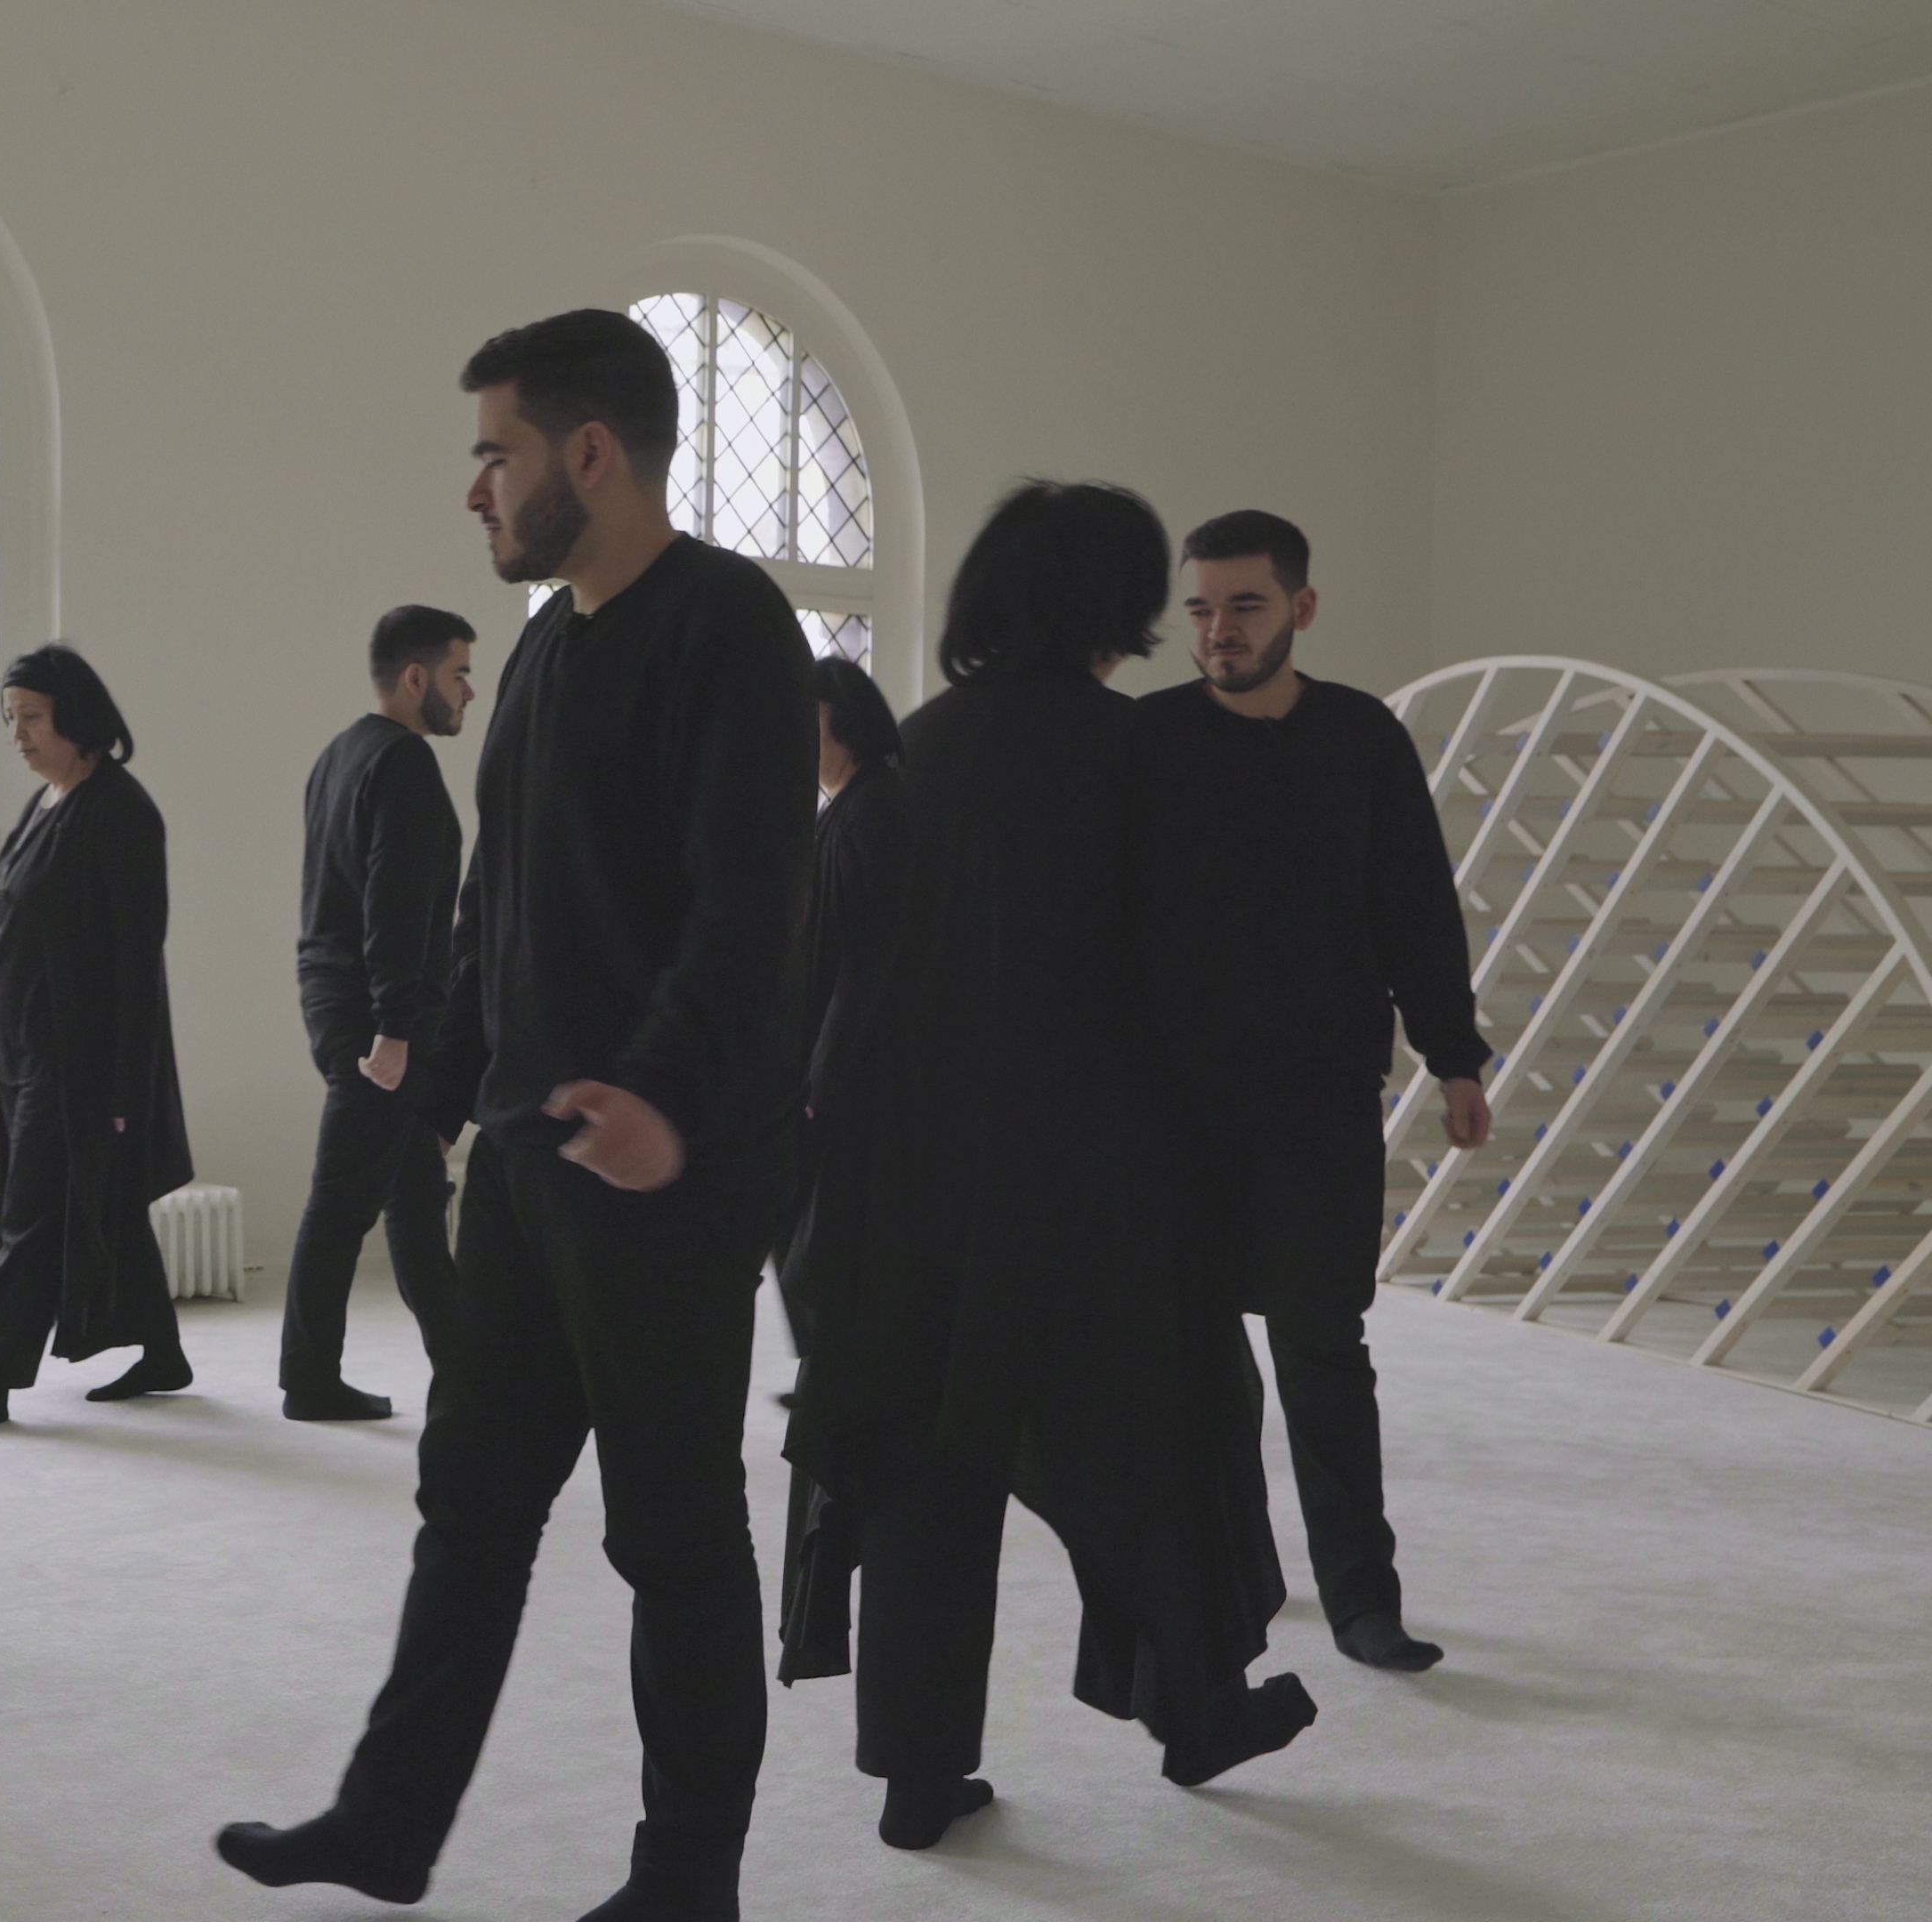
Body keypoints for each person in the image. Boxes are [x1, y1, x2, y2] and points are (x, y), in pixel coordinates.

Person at [218, 310, 811, 1922]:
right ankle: (385, 1824)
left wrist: (663, 1101)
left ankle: (689, 1877)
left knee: (673, 1537)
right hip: (533, 1168)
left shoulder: (731, 626)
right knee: (470, 1505)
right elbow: (501, 903)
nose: (476, 489)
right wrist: (444, 1101)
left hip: (659, 1173)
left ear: (590, 455)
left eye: (496, 452)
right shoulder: (546, 647)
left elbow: (754, 905)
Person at [778, 481, 1311, 1851]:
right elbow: (1196, 992)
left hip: (912, 1189)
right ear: (1118, 603)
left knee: (922, 1474)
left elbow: (834, 994)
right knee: (1160, 1442)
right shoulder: (1146, 759)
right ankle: (1197, 1708)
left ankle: (916, 1773)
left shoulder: (907, 766)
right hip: (1099, 1187)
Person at [1134, 509, 1490, 1674]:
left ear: (1301, 607)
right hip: (1175, 1104)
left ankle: (1362, 1601)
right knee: (1187, 1356)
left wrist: (1456, 1058)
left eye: (1244, 605)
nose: (1219, 629)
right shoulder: (1149, 741)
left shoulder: (1362, 739)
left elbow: (1414, 910)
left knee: (1321, 1347)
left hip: (1318, 1099)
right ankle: (1229, 1579)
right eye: (1200, 609)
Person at [0, 642, 196, 1431]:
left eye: (31, 718)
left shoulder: (122, 811)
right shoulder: (45, 806)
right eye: (12, 720)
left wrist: (122, 1094)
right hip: (30, 1056)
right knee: (96, 1209)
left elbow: (137, 968)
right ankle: (162, 1351)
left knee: (34, 1220)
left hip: (83, 1065)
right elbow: (16, 945)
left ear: (77, 716)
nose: (18, 735)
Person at [279, 604, 475, 1421]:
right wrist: (395, 1031)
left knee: (415, 1201)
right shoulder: (402, 765)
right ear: (416, 677)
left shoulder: (339, 755)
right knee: (341, 1204)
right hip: (375, 1023)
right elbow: (394, 906)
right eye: (461, 673)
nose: (471, 691)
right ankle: (308, 1380)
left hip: (338, 1002)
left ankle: (468, 1369)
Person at [772, 650, 909, 1385]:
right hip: (823, 1056)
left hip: (854, 1066)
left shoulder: (876, 810)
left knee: (824, 1229)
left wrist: (826, 1067)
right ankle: (828, 1363)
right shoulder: (846, 810)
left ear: (845, 725)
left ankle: (837, 1366)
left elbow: (870, 959)